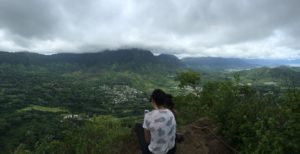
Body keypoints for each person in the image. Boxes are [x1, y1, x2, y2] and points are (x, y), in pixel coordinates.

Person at [135, 89, 176, 154]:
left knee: (138, 127)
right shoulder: (170, 113)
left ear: (153, 101)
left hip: (155, 152)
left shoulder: (148, 116)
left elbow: (147, 140)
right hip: (171, 149)